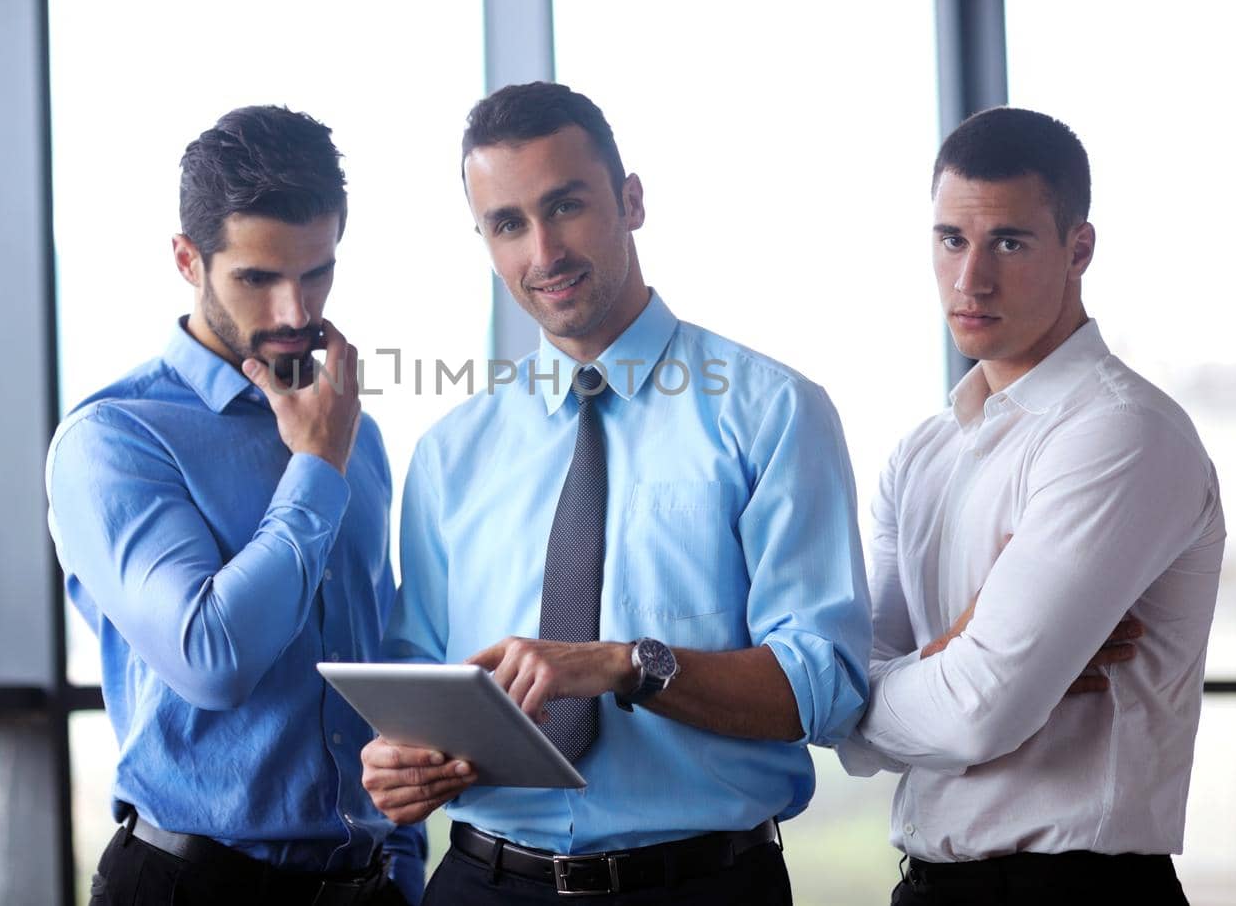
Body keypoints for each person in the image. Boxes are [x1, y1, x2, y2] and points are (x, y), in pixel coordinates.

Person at [361, 81, 872, 904]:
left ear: (631, 201)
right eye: (507, 224)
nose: (543, 252)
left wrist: (625, 664)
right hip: (483, 882)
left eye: (565, 206)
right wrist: (401, 762)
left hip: (701, 885)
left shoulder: (772, 413)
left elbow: (824, 683)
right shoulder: (450, 454)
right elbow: (424, 680)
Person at [837, 107, 1226, 905]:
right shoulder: (922, 451)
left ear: (1078, 248)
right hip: (928, 885)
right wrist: (949, 651)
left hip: (1076, 890)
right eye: (951, 240)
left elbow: (973, 714)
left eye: (1008, 242)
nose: (970, 278)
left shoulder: (1120, 432)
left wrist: (866, 698)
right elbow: (852, 693)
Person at [46, 105, 425, 905]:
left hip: (365, 885)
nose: (296, 312)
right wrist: (319, 464)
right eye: (257, 278)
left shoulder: (359, 435)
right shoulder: (114, 439)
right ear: (189, 258)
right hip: (192, 885)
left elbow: (383, 666)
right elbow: (211, 659)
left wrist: (405, 864)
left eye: (317, 271)